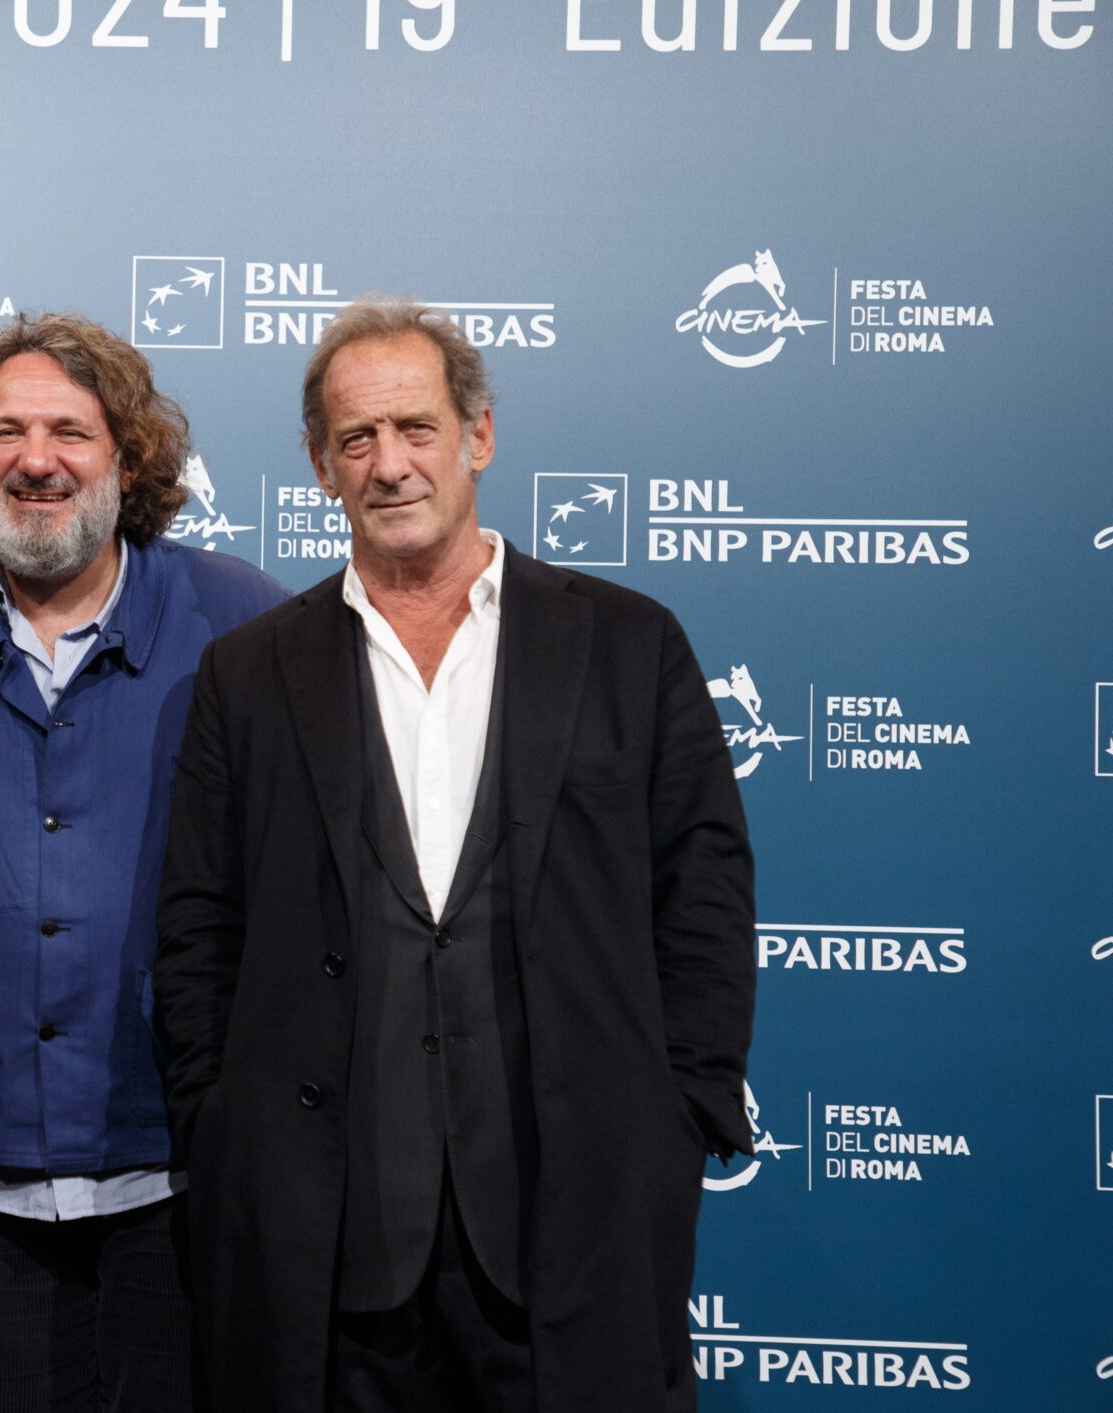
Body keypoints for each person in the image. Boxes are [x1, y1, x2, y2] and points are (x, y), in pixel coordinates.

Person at [154, 298, 756, 1412]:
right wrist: (219, 1123)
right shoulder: (247, 675)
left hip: (572, 1224)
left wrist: (676, 1117)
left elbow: (703, 896)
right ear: (319, 466)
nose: (389, 465)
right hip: (325, 1242)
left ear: (477, 436)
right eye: (355, 440)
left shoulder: (627, 646)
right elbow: (199, 923)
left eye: (415, 429)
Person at [0, 312, 289, 1412]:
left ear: (125, 460)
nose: (36, 460)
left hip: (173, 1161)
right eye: (5, 432)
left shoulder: (243, 622)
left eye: (69, 431)